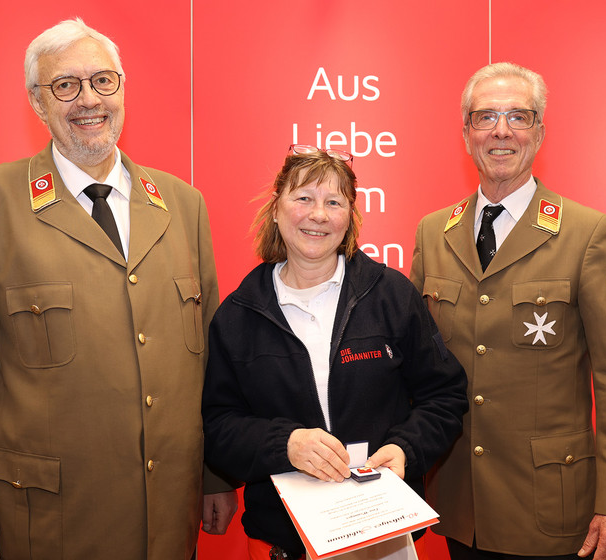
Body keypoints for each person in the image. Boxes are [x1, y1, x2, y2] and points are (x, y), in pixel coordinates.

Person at [0, 18, 236, 560]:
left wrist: (214, 476)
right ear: (36, 101)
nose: (88, 100)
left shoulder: (183, 205)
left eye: (103, 81)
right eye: (65, 85)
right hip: (46, 522)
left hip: (166, 516)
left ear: (123, 88)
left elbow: (210, 367)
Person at [410, 62, 606, 560]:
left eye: (518, 116)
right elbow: (416, 369)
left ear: (539, 132)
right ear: (466, 133)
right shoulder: (433, 233)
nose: (501, 131)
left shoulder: (586, 233)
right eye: (485, 117)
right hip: (460, 504)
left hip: (551, 510)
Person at [201, 145, 469, 560]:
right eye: (303, 198)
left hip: (384, 535)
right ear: (276, 209)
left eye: (333, 202)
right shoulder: (238, 316)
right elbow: (218, 427)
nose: (319, 215)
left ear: (350, 218)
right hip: (282, 542)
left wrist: (405, 450)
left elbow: (445, 396)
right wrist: (285, 444)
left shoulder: (392, 296)